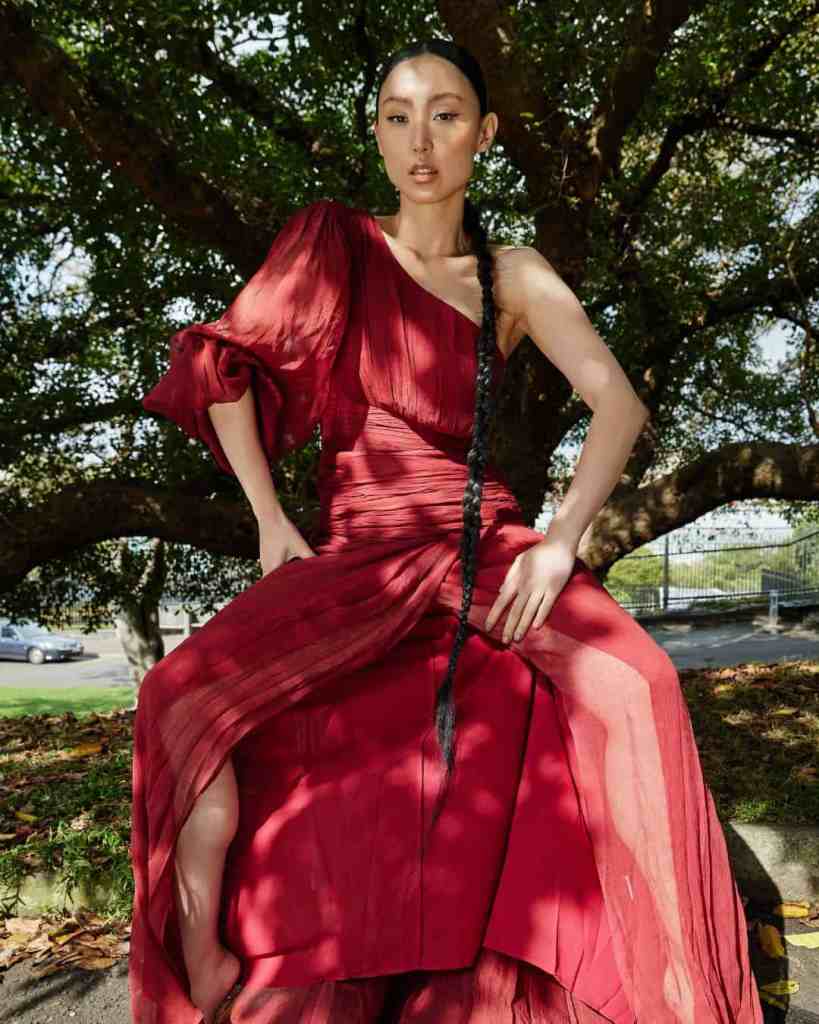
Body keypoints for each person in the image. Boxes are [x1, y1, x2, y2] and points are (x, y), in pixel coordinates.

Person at [131, 37, 763, 1024]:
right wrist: (267, 519)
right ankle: (207, 962)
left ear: (487, 131)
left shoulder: (512, 272)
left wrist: (560, 542)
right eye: (396, 115)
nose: (419, 141)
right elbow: (222, 368)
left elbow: (619, 404)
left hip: (482, 543)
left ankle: (671, 991)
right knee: (179, 697)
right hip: (358, 552)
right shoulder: (332, 242)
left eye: (446, 113)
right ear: (375, 133)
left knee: (638, 681)